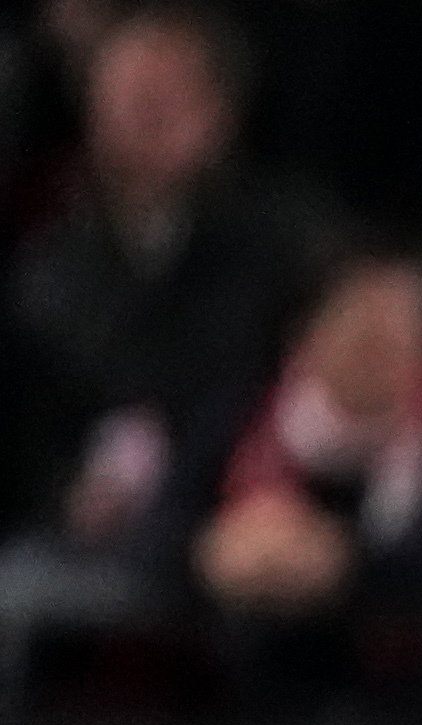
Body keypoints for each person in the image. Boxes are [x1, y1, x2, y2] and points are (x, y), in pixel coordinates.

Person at [7, 1, 318, 545]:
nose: (138, 114)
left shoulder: (293, 251)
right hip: (76, 542)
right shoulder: (47, 268)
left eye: (163, 96)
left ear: (221, 112)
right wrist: (65, 489)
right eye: (123, 93)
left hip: (244, 527)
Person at [180, 250, 422, 646]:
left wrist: (348, 563)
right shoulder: (241, 418)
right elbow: (161, 529)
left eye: (401, 337)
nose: (381, 357)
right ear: (306, 338)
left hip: (418, 680)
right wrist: (214, 552)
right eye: (363, 337)